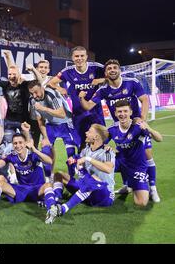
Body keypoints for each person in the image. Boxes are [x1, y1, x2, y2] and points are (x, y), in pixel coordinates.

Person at [79, 59, 160, 202]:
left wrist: (142, 119)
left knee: (147, 154)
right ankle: (126, 185)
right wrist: (81, 98)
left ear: (119, 70)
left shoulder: (131, 82)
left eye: (114, 67)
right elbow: (88, 106)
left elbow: (145, 100)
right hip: (119, 126)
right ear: (106, 72)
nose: (112, 70)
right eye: (109, 68)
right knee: (122, 154)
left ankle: (152, 187)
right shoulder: (103, 90)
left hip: (135, 126)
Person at [0, 133, 58, 224]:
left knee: (48, 185)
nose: (18, 145)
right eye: (15, 143)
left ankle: (51, 210)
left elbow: (49, 161)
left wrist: (34, 149)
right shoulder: (12, 156)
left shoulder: (33, 154)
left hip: (37, 189)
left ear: (25, 143)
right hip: (22, 189)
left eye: (20, 143)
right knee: (0, 183)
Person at [47, 46, 106, 149]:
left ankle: (101, 163)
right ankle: (83, 163)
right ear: (72, 58)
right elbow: (51, 83)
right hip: (78, 114)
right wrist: (60, 89)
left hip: (96, 111)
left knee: (101, 140)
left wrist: (100, 80)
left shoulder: (96, 67)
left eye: (82, 56)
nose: (79, 58)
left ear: (87, 57)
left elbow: (114, 76)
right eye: (76, 56)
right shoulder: (67, 71)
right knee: (82, 143)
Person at [107, 100, 162, 207]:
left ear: (131, 112)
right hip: (121, 162)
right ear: (115, 113)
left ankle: (149, 187)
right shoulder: (112, 129)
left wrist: (148, 128)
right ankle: (105, 190)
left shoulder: (138, 127)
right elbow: (100, 143)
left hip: (137, 166)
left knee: (141, 203)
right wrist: (106, 147)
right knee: (99, 162)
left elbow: (159, 139)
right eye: (119, 112)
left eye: (125, 111)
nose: (122, 114)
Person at [53, 124, 116, 217]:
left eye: (89, 131)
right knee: (59, 175)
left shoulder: (107, 152)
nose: (86, 133)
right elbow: (79, 158)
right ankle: (56, 200)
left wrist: (88, 159)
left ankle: (64, 208)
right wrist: (73, 159)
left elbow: (108, 169)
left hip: (104, 196)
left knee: (93, 179)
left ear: (96, 136)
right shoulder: (87, 149)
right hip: (87, 192)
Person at [28, 80, 80, 181]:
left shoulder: (51, 94)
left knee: (70, 151)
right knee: (45, 150)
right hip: (50, 125)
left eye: (36, 92)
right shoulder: (33, 100)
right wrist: (46, 138)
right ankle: (49, 178)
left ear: (42, 88)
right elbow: (40, 120)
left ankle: (72, 177)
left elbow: (62, 114)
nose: (34, 95)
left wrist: (44, 109)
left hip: (66, 123)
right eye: (31, 93)